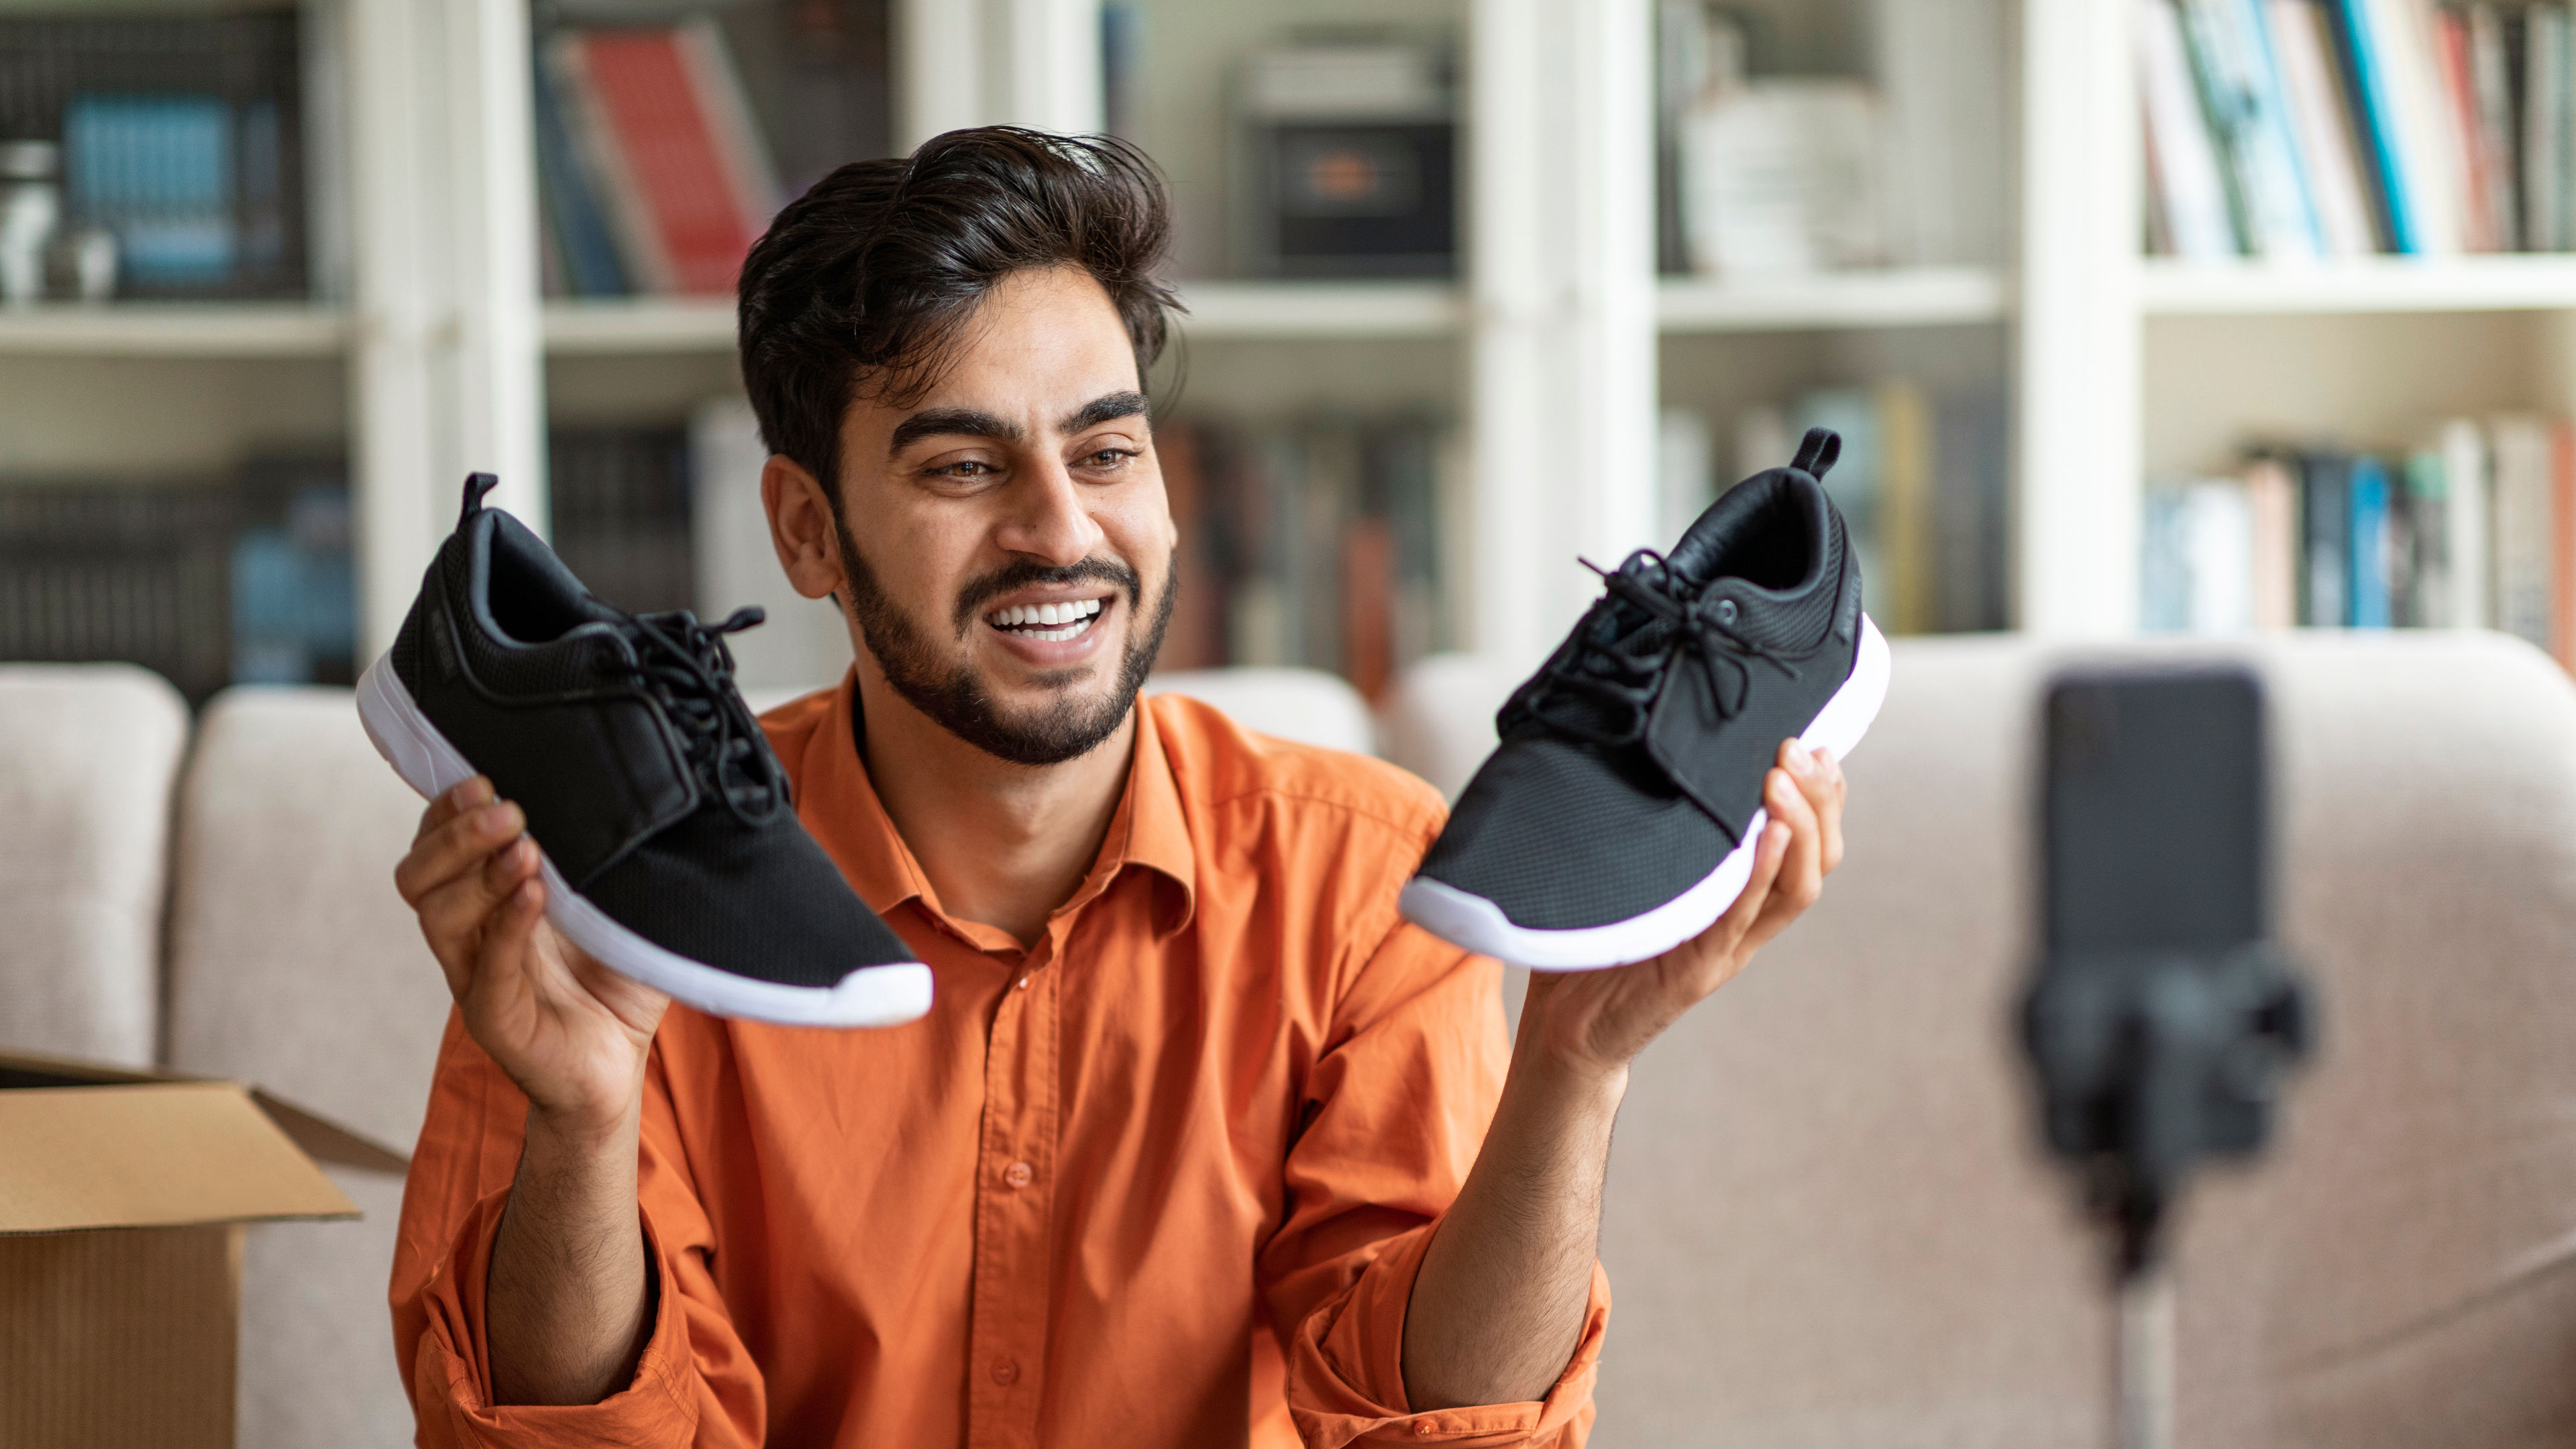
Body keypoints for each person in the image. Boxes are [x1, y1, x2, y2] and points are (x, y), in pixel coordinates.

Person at [387, 127, 1848, 1448]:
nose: (1060, 529)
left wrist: (1573, 1067)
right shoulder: (624, 885)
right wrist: (582, 1123)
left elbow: (1423, 1431)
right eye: (964, 468)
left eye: (1106, 450)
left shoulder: (1370, 883)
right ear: (807, 530)